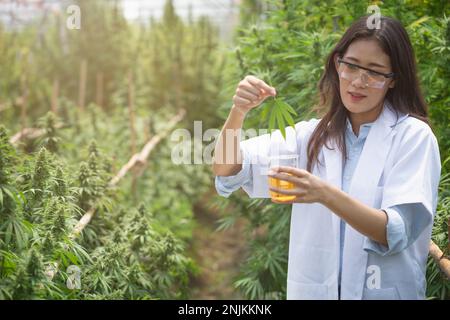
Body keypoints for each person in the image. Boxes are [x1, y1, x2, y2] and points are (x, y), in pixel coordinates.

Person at [212, 15, 441, 300]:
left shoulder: (412, 138)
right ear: (337, 64)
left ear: (394, 80)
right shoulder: (312, 136)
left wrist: (324, 193)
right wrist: (239, 111)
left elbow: (394, 231)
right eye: (351, 65)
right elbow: (226, 168)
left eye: (375, 71)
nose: (359, 81)